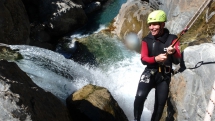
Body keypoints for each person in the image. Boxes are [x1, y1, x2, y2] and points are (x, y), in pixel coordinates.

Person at [133, 10, 181, 121]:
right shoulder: (146, 40)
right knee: (139, 97)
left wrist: (173, 52)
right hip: (149, 71)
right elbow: (144, 59)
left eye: (155, 24)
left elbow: (177, 60)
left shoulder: (172, 39)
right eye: (150, 25)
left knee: (159, 105)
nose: (151, 27)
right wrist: (156, 58)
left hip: (165, 75)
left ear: (162, 24)